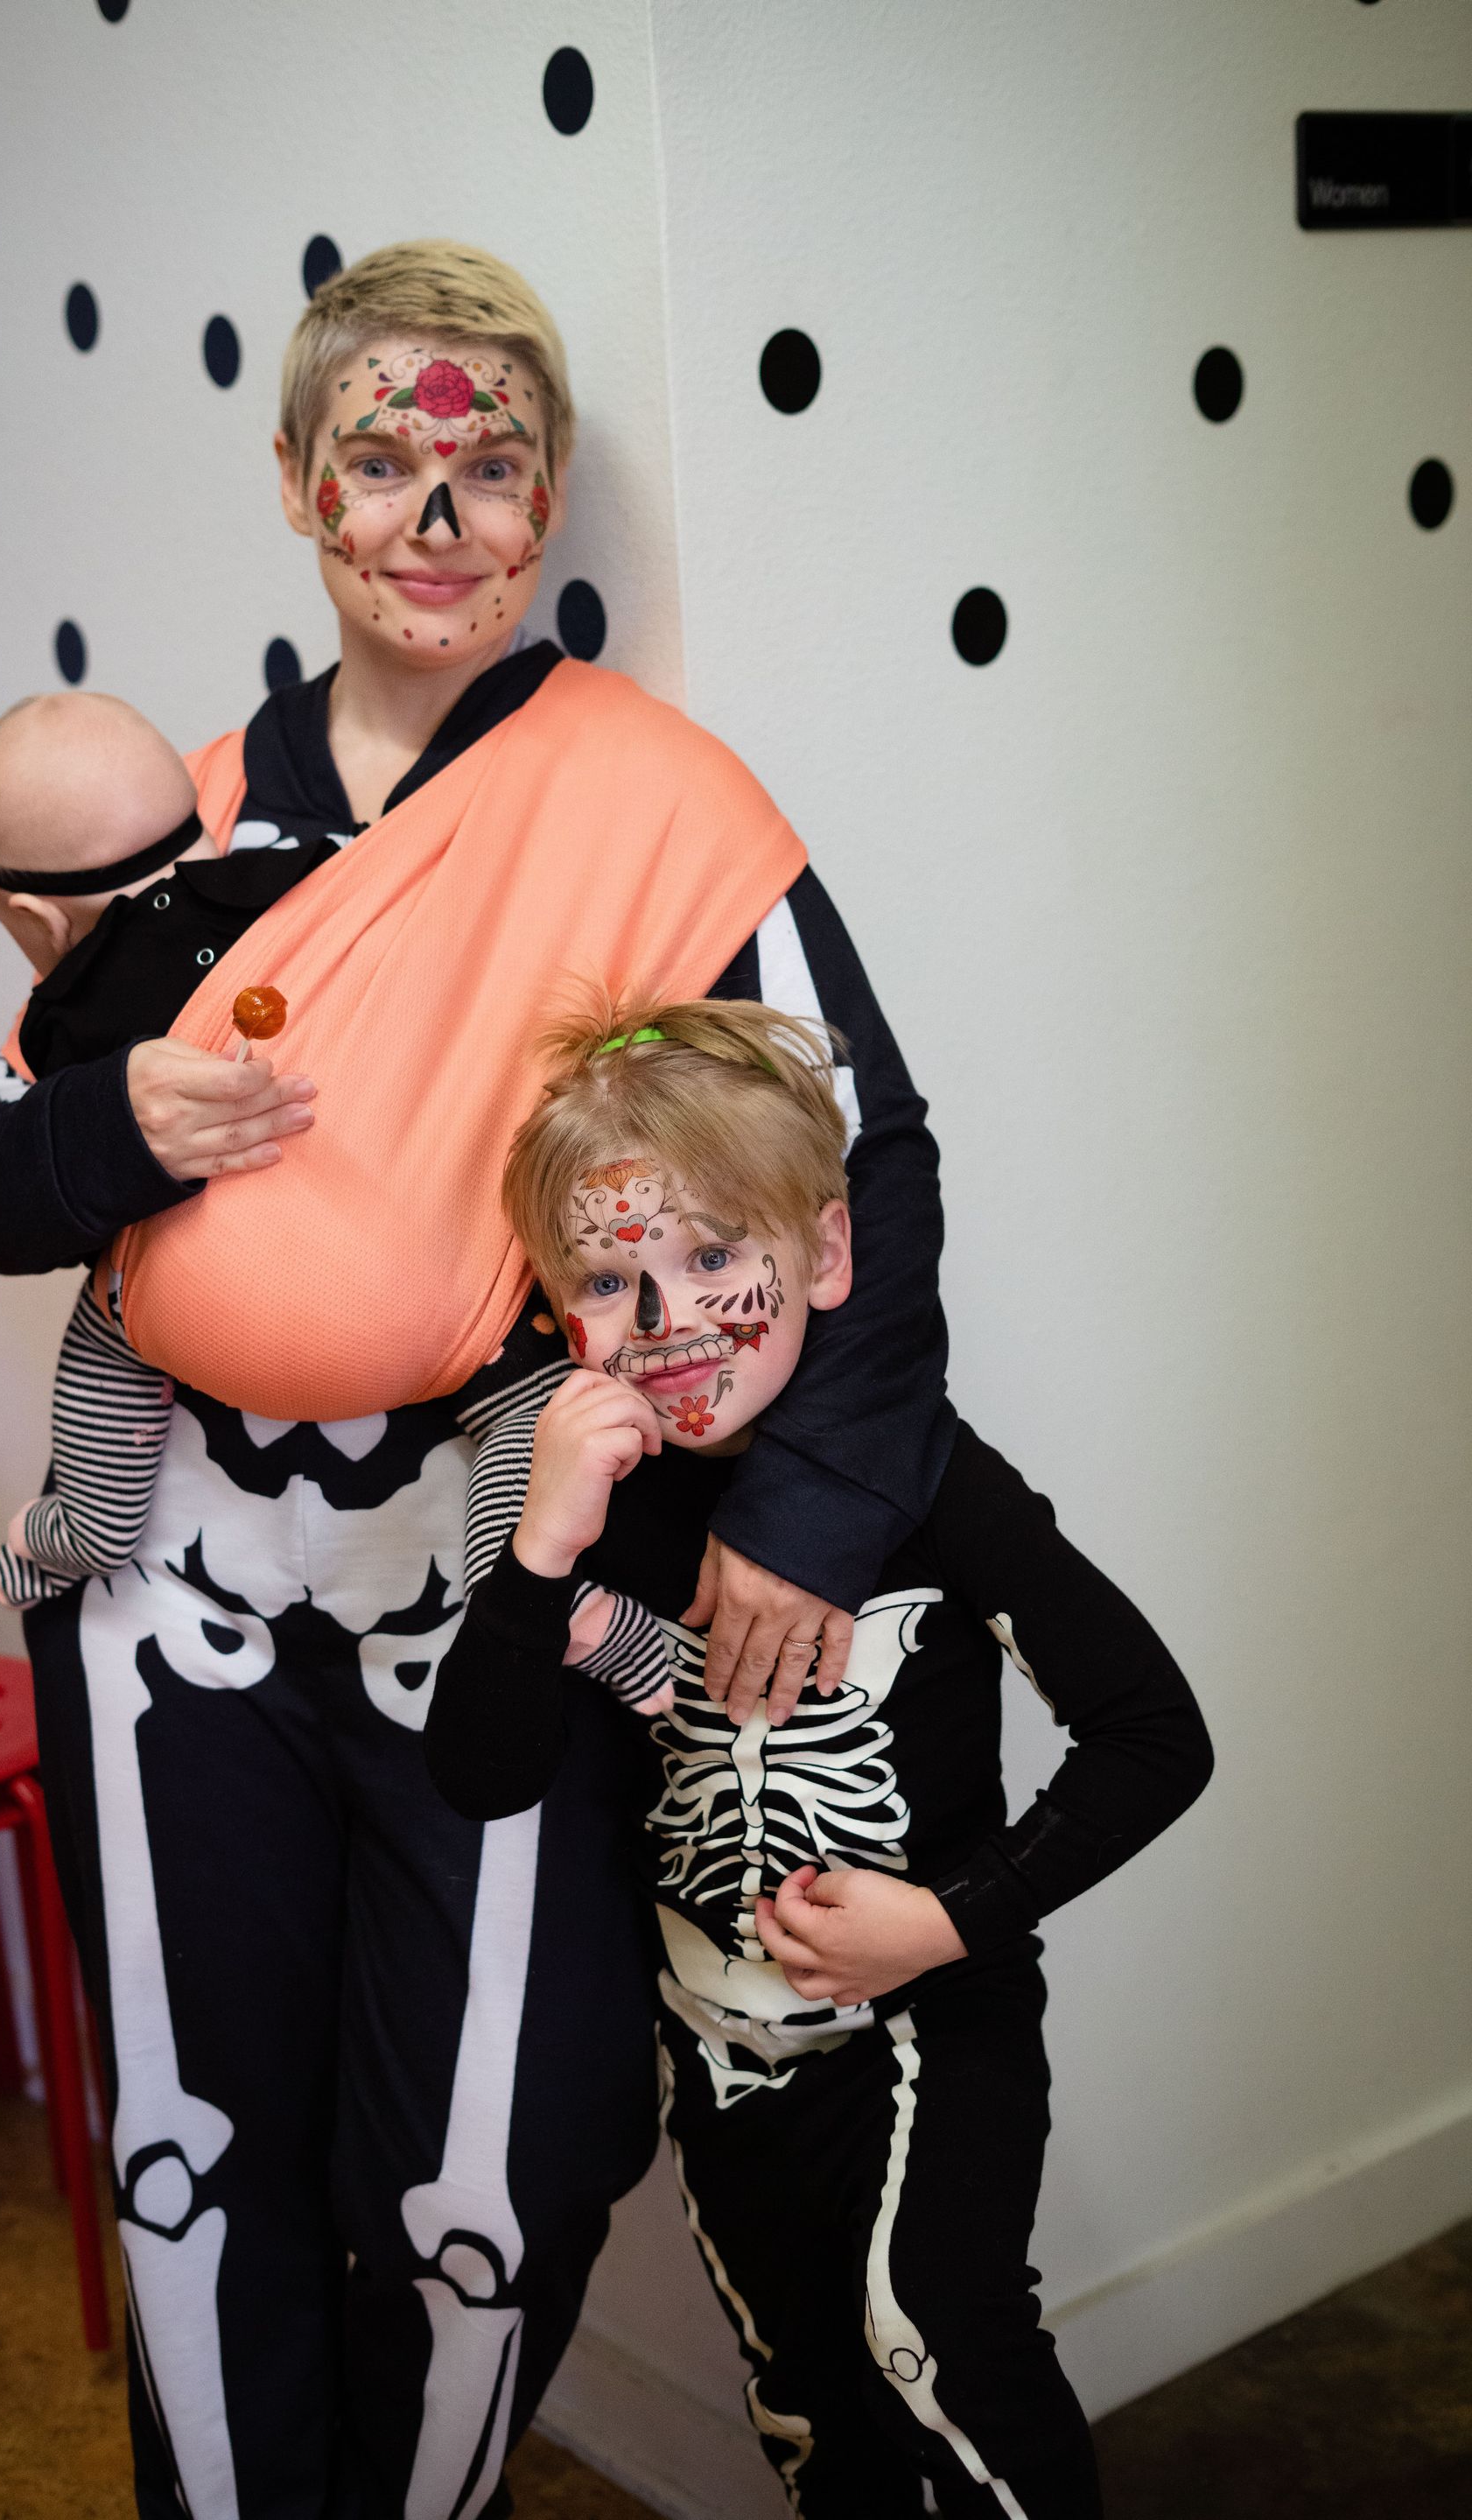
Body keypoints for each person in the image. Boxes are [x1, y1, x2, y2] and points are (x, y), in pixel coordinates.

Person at [0, 239, 952, 2520]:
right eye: (381, 459)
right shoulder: (184, 819)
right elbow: (9, 1170)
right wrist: (129, 1113)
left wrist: (810, 1511)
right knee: (198, 2141)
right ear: (298, 484)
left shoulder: (660, 799)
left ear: (553, 493)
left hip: (472, 1554)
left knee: (494, 2162)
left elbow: (855, 1155)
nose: (432, 516)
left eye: (483, 467)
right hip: (173, 1571)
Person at [425, 998, 1214, 2519]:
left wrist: (950, 1913)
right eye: (609, 1277)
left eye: (718, 1254)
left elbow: (1153, 1733)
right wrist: (534, 1549)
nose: (666, 1316)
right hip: (718, 2052)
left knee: (935, 2348)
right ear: (556, 1309)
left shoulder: (924, 1478)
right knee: (807, 2398)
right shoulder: (587, 1502)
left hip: (930, 2016)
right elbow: (479, 1767)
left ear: (830, 1255)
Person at [0, 689, 670, 1705]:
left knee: (104, 1437)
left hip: (158, 1320)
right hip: (480, 1319)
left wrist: (94, 1117)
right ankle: (591, 1620)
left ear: (30, 920)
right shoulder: (322, 879)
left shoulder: (65, 1005)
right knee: (526, 1522)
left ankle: (67, 1532)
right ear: (205, 820)